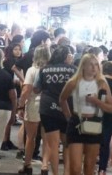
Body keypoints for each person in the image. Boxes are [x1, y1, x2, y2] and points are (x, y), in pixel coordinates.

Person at [60, 53, 112, 175]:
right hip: (76, 123)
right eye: (90, 64)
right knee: (75, 168)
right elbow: (62, 99)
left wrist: (97, 101)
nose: (94, 67)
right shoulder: (74, 82)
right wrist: (68, 116)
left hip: (94, 123)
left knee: (89, 167)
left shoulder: (102, 83)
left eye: (96, 64)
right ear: (83, 66)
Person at [35, 45, 77, 175]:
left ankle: (55, 173)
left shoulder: (44, 70)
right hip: (68, 109)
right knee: (67, 143)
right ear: (66, 56)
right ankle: (66, 172)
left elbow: (36, 89)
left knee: (52, 145)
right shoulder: (73, 70)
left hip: (48, 108)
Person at [18, 45, 50, 174]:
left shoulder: (32, 70)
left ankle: (28, 164)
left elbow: (26, 90)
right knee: (46, 138)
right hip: (48, 105)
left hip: (33, 104)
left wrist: (20, 105)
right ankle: (45, 166)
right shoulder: (50, 70)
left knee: (31, 137)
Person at [1, 41, 24, 151]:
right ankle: (4, 141)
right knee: (9, 117)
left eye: (19, 49)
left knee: (12, 117)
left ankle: (7, 140)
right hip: (8, 91)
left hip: (16, 90)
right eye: (15, 49)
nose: (18, 51)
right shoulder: (9, 62)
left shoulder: (18, 61)